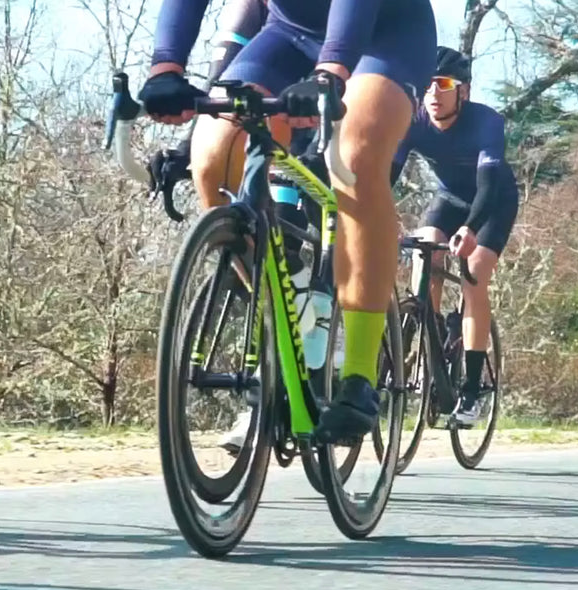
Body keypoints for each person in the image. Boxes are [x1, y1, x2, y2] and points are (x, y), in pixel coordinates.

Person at [140, 0, 437, 445]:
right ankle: (286, 292)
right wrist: (166, 68)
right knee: (214, 157)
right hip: (288, 35)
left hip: (386, 33)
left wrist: (332, 71)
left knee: (354, 155)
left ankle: (358, 374)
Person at [391, 46, 519, 426]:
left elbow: (487, 184)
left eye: (444, 84)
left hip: (491, 202)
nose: (434, 93)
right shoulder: (414, 121)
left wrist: (471, 228)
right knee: (424, 254)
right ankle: (426, 336)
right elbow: (390, 174)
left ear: (464, 90)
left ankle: (472, 389)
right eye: (427, 84)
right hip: (448, 199)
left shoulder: (486, 122)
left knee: (473, 275)